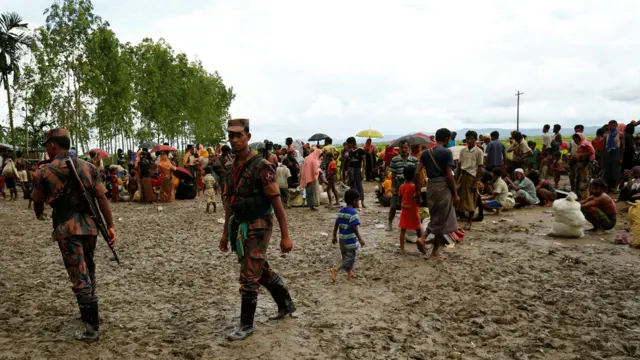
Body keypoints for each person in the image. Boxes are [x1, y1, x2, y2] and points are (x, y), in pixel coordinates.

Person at [31, 128, 117, 342]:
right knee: (89, 267)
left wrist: (40, 213)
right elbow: (102, 199)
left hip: (66, 228)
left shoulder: (44, 172)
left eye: (47, 146)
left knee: (78, 273)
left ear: (53, 145)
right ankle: (88, 315)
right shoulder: (87, 166)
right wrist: (111, 226)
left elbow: (37, 201)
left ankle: (91, 328)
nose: (47, 150)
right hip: (90, 226)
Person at [219, 119, 294, 341]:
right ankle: (286, 303)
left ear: (248, 137)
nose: (234, 140)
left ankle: (246, 325)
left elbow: (277, 202)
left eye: (239, 135)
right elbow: (229, 204)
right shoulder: (232, 168)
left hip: (260, 224)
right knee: (259, 269)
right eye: (231, 136)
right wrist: (225, 234)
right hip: (240, 226)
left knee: (249, 275)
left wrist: (285, 235)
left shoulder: (262, 166)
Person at [416, 128, 459, 259]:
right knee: (443, 219)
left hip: (431, 186)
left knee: (435, 216)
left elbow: (417, 172)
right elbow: (449, 176)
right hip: (442, 186)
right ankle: (430, 246)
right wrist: (455, 193)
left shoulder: (425, 153)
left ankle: (428, 243)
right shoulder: (447, 153)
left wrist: (417, 191)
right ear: (447, 139)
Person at [330, 189, 365, 282]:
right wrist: (360, 239)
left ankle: (349, 274)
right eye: (358, 200)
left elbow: (336, 224)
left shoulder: (341, 211)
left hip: (342, 240)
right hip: (350, 241)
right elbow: (355, 228)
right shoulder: (353, 213)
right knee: (350, 258)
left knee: (346, 257)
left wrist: (334, 236)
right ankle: (335, 269)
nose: (358, 203)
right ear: (354, 201)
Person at [386, 139, 419, 231]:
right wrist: (393, 187)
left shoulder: (414, 160)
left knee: (409, 206)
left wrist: (416, 188)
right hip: (398, 183)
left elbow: (416, 175)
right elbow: (393, 174)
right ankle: (389, 223)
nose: (404, 150)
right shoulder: (395, 159)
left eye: (406, 148)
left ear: (409, 148)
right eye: (402, 148)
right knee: (393, 205)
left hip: (409, 184)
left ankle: (409, 225)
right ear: (399, 148)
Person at [456, 131, 484, 230]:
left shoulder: (479, 151)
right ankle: (457, 220)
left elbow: (480, 168)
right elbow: (459, 166)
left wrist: (475, 182)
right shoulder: (463, 151)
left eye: (472, 139)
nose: (470, 141)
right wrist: (456, 179)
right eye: (468, 139)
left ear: (475, 140)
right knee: (458, 199)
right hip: (462, 176)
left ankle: (469, 221)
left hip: (472, 177)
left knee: (471, 200)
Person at [397, 165, 422, 253]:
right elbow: (419, 200)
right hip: (414, 211)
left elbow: (399, 200)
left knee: (403, 230)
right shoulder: (415, 187)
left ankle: (402, 248)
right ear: (414, 175)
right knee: (418, 229)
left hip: (405, 211)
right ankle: (422, 246)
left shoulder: (401, 187)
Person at [572, 133, 595, 199]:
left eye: (575, 139)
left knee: (584, 182)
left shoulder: (584, 143)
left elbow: (591, 151)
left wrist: (581, 155)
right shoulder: (581, 143)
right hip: (582, 165)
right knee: (580, 181)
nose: (574, 141)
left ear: (578, 138)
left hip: (586, 164)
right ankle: (581, 197)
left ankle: (584, 198)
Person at [603, 120, 625, 193]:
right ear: (608, 126)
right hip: (608, 153)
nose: (612, 127)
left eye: (614, 125)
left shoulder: (620, 134)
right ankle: (608, 187)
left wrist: (621, 158)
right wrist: (603, 157)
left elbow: (622, 147)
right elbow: (603, 147)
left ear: (616, 126)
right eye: (610, 125)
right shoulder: (606, 135)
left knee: (616, 171)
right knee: (607, 172)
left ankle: (616, 187)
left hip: (616, 153)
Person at [346, 137, 366, 208]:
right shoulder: (350, 151)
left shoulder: (360, 150)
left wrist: (363, 171)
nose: (347, 145)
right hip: (351, 170)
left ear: (352, 143)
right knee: (353, 186)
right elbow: (349, 163)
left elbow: (364, 161)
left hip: (358, 170)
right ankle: (355, 203)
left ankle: (362, 202)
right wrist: (348, 173)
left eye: (348, 143)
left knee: (359, 186)